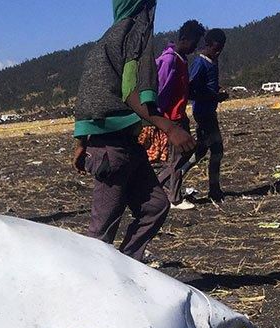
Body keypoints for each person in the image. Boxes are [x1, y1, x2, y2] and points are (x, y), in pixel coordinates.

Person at [72, 0, 195, 263]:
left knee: (156, 206)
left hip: (125, 144)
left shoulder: (105, 42)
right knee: (101, 231)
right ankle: (93, 285)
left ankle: (127, 266)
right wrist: (170, 127)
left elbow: (86, 97)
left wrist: (81, 142)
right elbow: (131, 92)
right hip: (112, 150)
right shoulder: (135, 36)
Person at [156, 20, 205, 211]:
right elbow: (161, 89)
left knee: (185, 154)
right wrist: (161, 120)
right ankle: (173, 198)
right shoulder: (170, 60)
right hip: (172, 118)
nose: (195, 47)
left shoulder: (181, 59)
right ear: (184, 39)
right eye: (194, 42)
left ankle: (162, 188)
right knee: (177, 159)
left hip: (180, 115)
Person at [181, 28, 228, 202]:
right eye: (216, 49)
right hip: (203, 113)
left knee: (201, 151)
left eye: (220, 49)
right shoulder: (200, 63)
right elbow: (190, 90)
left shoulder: (212, 62)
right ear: (207, 45)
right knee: (217, 151)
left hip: (209, 111)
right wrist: (214, 96)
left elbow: (208, 86)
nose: (218, 52)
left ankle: (177, 176)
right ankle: (214, 190)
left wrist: (217, 92)